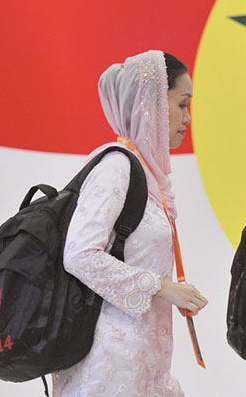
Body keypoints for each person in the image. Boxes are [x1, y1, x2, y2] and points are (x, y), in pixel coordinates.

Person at [52, 50, 208, 396]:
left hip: (140, 362)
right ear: (151, 105)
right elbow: (79, 254)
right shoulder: (117, 167)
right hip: (107, 367)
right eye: (182, 104)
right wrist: (163, 288)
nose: (188, 118)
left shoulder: (146, 175)